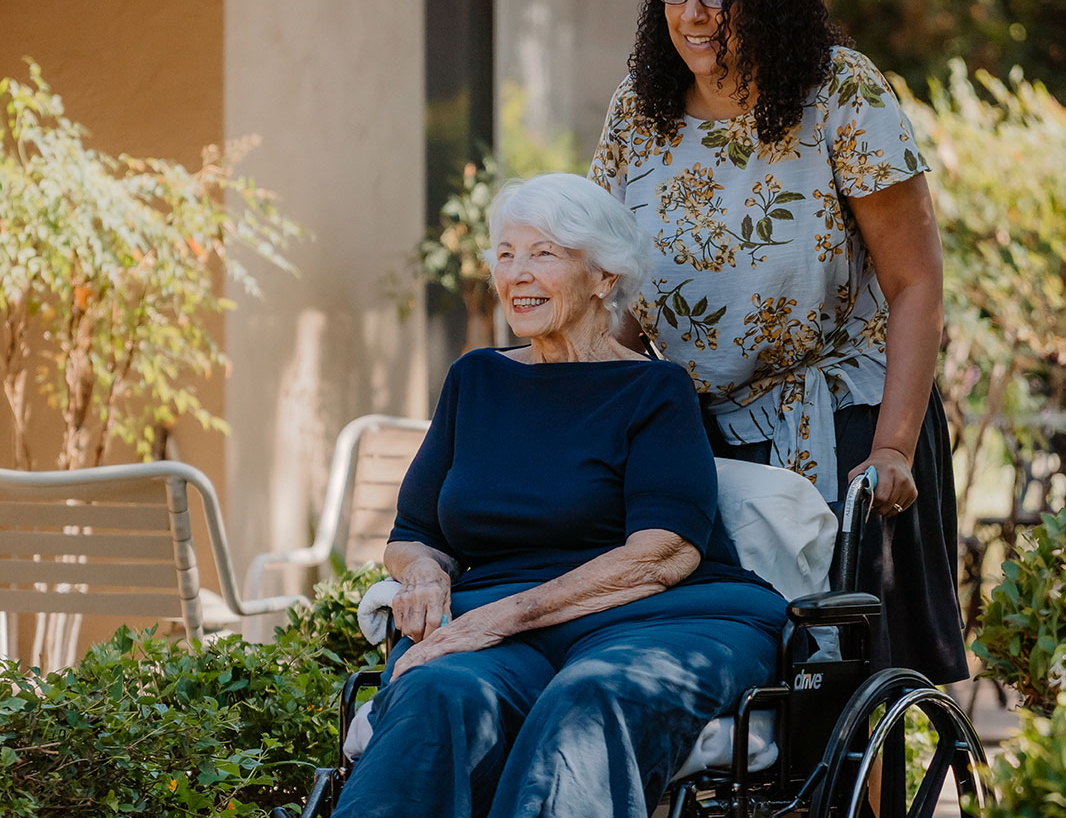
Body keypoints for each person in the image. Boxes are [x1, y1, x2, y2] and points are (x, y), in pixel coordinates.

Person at [589, 0, 968, 685]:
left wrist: (893, 447)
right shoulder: (639, 106)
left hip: (847, 423)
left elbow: (915, 280)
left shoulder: (841, 95)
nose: (692, 13)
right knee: (718, 669)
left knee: (841, 683)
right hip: (695, 433)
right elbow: (613, 292)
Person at [331, 173, 786, 818]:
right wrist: (426, 578)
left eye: (544, 254)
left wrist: (504, 615)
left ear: (604, 277)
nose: (517, 273)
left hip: (661, 618)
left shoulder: (656, 390)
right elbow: (414, 533)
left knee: (590, 697)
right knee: (436, 694)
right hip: (500, 630)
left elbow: (664, 555)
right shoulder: (476, 379)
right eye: (506, 254)